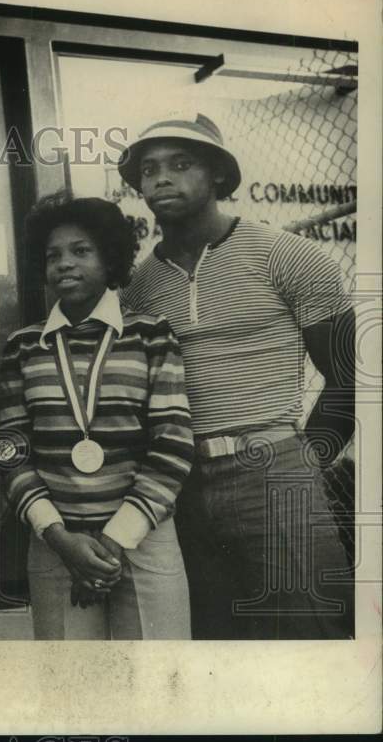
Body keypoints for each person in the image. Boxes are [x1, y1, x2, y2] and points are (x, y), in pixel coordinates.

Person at [118, 113, 355, 639]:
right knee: (214, 642)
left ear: (220, 176)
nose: (161, 178)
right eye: (149, 168)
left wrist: (304, 463)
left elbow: (350, 375)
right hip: (179, 482)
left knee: (310, 638)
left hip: (271, 468)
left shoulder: (286, 255)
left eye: (182, 164)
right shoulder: (136, 288)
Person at [0, 196, 194, 639]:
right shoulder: (23, 347)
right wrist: (61, 540)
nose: (64, 263)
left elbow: (174, 441)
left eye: (81, 251)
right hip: (56, 542)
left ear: (110, 258)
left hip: (145, 537)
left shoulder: (151, 334)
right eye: (53, 255)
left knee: (157, 683)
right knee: (70, 691)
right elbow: (12, 451)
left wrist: (115, 539)